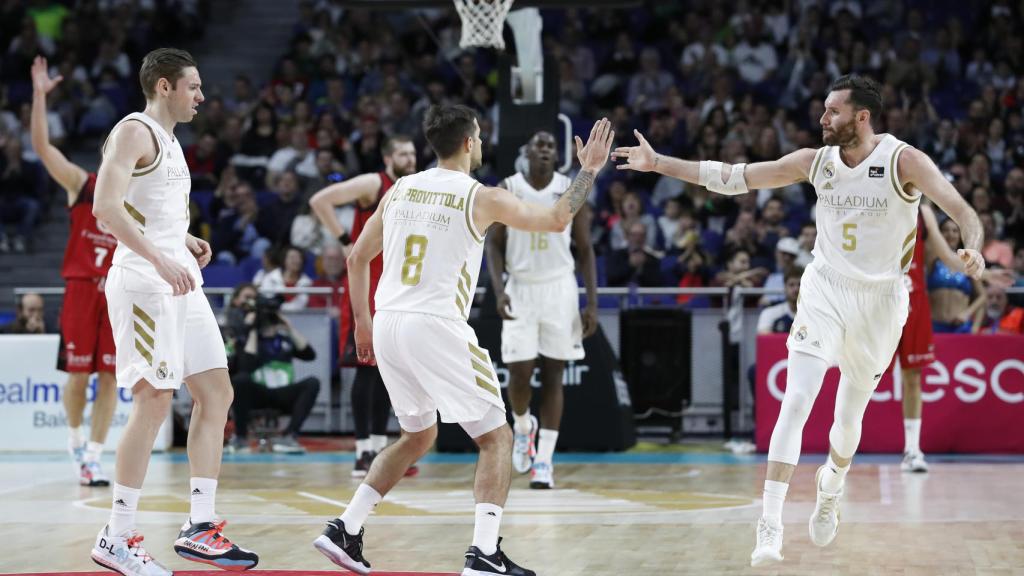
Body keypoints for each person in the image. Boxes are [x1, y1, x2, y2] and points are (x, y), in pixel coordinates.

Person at [612, 74, 984, 567]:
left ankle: (832, 484)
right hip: (825, 288)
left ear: (861, 117)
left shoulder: (903, 160)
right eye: (823, 110)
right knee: (798, 397)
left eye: (833, 111)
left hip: (881, 302)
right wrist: (660, 164)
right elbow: (734, 177)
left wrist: (973, 248)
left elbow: (962, 210)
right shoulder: (816, 162)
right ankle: (769, 526)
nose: (822, 118)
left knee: (847, 421)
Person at [312, 105, 613, 576]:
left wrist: (364, 325)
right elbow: (558, 219)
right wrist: (589, 170)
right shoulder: (481, 196)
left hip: (388, 322)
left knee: (418, 435)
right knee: (497, 437)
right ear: (470, 142)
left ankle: (345, 529)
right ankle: (484, 553)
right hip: (435, 323)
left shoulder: (399, 190)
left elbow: (355, 260)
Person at [89, 48, 258, 575]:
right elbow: (105, 207)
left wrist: (182, 240)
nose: (201, 97)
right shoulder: (133, 131)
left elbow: (146, 208)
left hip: (178, 277)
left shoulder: (170, 140)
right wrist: (161, 256)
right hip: (144, 283)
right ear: (164, 86)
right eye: (193, 87)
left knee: (217, 392)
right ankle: (116, 536)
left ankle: (199, 527)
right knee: (155, 400)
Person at [485, 130, 599, 490]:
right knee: (518, 375)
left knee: (553, 374)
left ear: (558, 155)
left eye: (552, 146)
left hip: (560, 287)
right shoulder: (510, 186)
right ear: (527, 152)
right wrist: (499, 289)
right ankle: (522, 428)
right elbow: (494, 245)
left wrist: (591, 301)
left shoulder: (571, 187)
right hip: (521, 285)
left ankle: (544, 462)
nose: (546, 150)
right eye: (540, 145)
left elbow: (585, 249)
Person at [31, 55, 118, 487]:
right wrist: (39, 97)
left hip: (119, 292)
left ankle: (96, 457)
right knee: (79, 373)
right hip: (83, 287)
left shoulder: (134, 201)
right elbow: (43, 148)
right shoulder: (81, 184)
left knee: (110, 376)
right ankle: (75, 441)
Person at [308, 135, 417, 477]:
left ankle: (380, 451)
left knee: (389, 371)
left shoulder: (413, 186)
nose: (410, 158)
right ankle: (361, 452)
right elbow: (320, 200)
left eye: (413, 153)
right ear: (387, 157)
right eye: (402, 153)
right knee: (365, 366)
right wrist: (345, 242)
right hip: (366, 282)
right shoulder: (374, 183)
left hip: (395, 285)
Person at [228, 292, 321, 454]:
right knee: (240, 380)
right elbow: (246, 366)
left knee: (313, 382)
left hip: (283, 393)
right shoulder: (248, 340)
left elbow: (310, 355)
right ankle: (241, 438)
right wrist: (253, 330)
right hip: (259, 393)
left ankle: (289, 436)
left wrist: (288, 327)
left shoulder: (284, 340)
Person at [928, 217, 986, 333]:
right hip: (934, 326)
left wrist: (968, 314)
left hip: (961, 328)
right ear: (939, 234)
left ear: (960, 235)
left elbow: (982, 296)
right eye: (945, 230)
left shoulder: (967, 260)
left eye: (955, 231)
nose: (950, 234)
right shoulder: (931, 260)